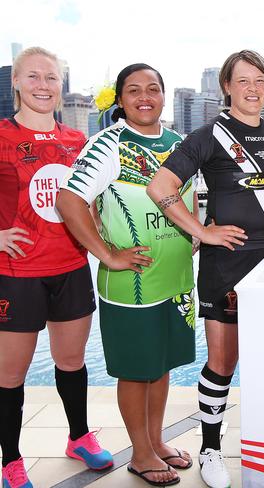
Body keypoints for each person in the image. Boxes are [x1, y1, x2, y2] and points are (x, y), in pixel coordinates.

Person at [147, 49, 264, 488]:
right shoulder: (207, 135)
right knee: (223, 361)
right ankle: (210, 450)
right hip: (225, 266)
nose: (253, 89)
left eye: (260, 81)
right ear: (227, 87)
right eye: (243, 80)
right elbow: (161, 187)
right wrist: (202, 230)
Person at [56, 63, 196, 487]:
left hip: (176, 278)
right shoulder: (108, 145)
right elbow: (68, 200)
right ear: (120, 100)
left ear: (164, 96)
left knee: (163, 364)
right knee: (136, 370)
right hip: (132, 283)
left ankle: (155, 441)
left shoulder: (178, 144)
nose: (145, 97)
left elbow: (185, 202)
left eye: (153, 88)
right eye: (134, 91)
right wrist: (107, 254)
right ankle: (140, 454)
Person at [0, 47, 113, 488]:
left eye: (51, 77)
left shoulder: (76, 142)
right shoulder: (3, 135)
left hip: (69, 267)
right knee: (10, 374)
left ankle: (79, 437)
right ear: (17, 82)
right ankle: (11, 459)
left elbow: (90, 205)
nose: (43, 85)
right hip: (17, 273)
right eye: (33, 76)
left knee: (71, 362)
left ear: (61, 85)